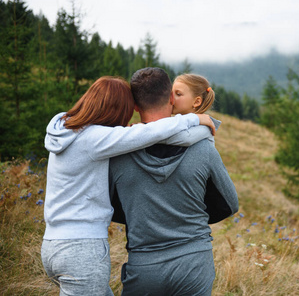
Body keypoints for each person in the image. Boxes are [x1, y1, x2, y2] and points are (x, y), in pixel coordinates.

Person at [41, 76, 216, 296]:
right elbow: (151, 132)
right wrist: (197, 120)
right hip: (81, 249)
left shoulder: (65, 130)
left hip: (52, 246)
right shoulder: (95, 139)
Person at [109, 67, 239, 295]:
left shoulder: (117, 153)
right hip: (194, 260)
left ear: (135, 106)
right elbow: (230, 204)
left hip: (144, 265)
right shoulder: (203, 148)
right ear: (170, 98)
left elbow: (108, 206)